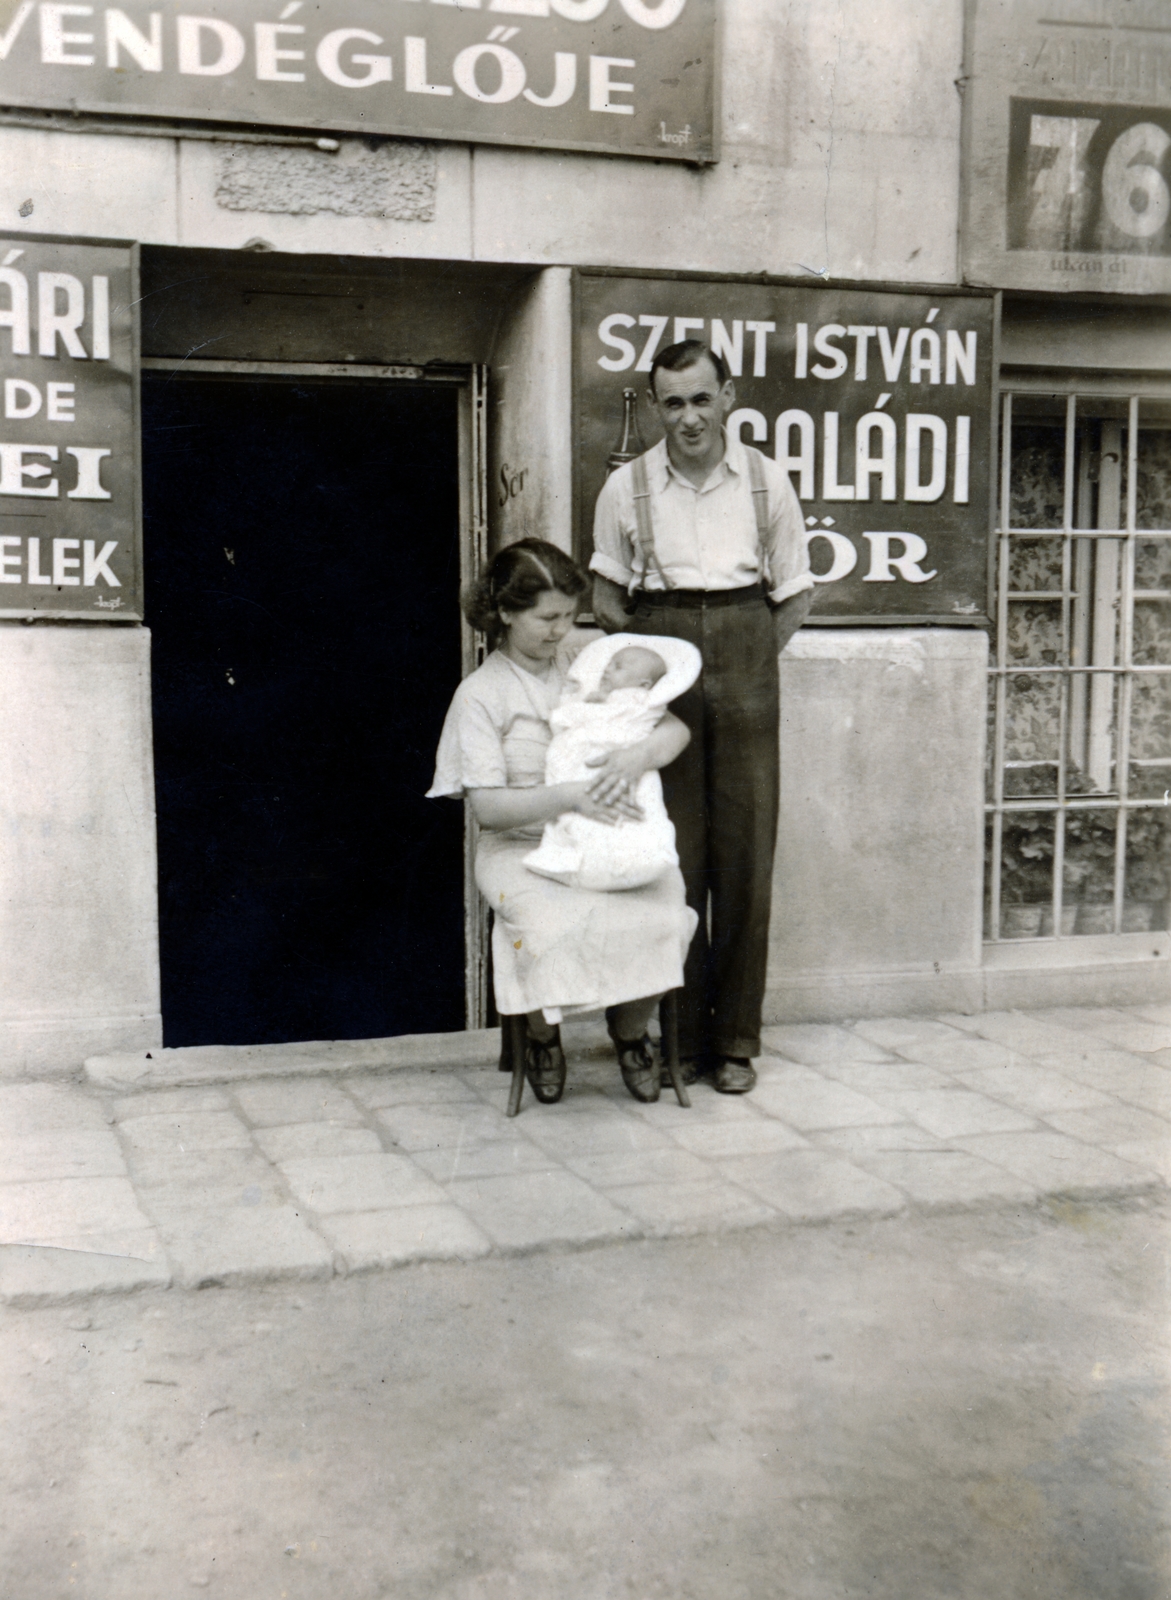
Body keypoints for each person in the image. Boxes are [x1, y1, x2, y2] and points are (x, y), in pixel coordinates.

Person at [591, 339, 815, 1094]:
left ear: (728, 397)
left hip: (748, 653)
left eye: (701, 398)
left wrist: (746, 660)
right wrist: (657, 667)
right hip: (663, 657)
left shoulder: (764, 481)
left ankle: (736, 1043)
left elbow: (795, 594)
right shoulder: (626, 489)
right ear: (656, 406)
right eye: (672, 402)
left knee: (745, 856)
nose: (688, 417)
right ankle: (680, 1039)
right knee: (674, 858)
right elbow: (606, 600)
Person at [427, 538, 697, 1105]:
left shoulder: (588, 667)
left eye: (569, 618)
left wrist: (637, 756)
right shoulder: (480, 696)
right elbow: (489, 809)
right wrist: (575, 796)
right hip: (521, 849)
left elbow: (672, 728)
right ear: (504, 612)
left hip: (607, 836)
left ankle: (628, 1032)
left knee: (667, 906)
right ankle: (544, 1037)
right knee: (551, 926)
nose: (560, 632)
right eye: (546, 618)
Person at [523, 633, 703, 893]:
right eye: (608, 664)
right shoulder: (604, 696)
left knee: (628, 807)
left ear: (643, 684)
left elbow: (588, 721)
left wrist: (581, 708)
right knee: (594, 810)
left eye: (618, 667)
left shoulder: (639, 702)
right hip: (586, 769)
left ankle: (613, 859)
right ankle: (599, 859)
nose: (607, 669)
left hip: (620, 759)